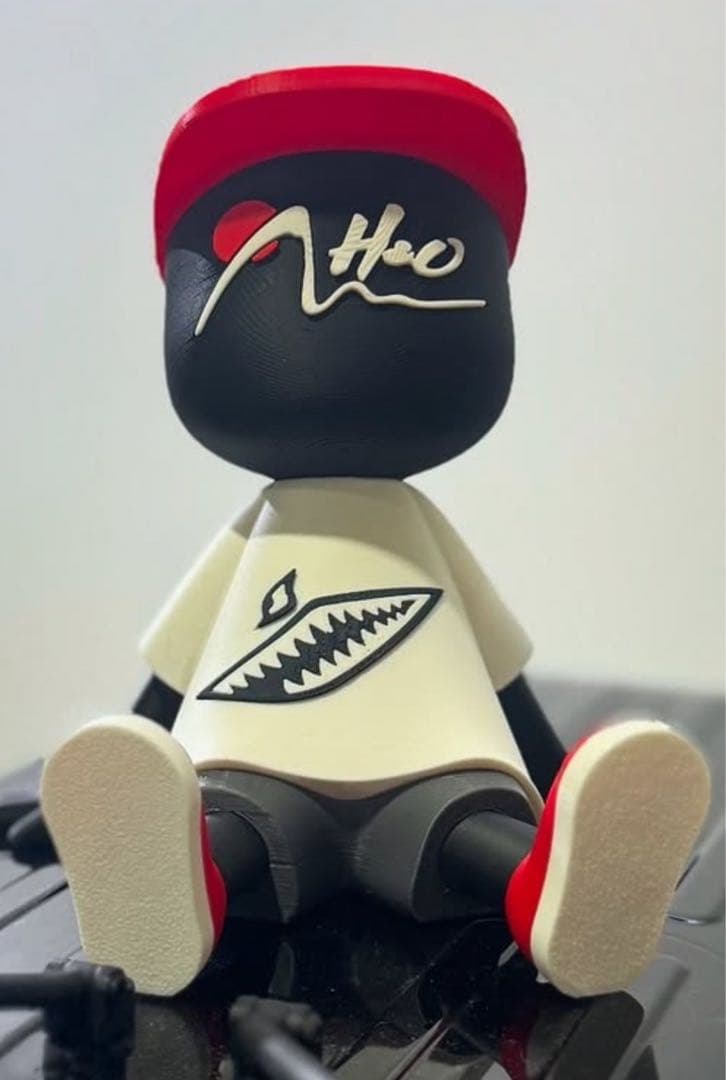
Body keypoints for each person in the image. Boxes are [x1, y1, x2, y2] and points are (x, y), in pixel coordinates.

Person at [41, 66, 710, 998]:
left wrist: (564, 783)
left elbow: (500, 678)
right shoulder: (267, 537)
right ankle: (166, 886)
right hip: (255, 758)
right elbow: (172, 683)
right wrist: (110, 786)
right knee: (230, 818)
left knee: (468, 823)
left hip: (431, 765)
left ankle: (555, 889)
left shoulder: (394, 529)